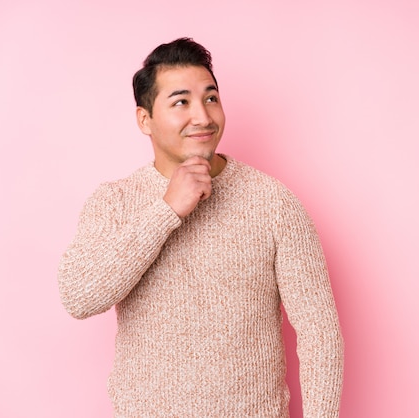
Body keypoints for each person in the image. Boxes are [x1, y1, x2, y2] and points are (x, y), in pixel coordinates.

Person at [57, 37, 344, 417]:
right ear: (145, 119)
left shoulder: (274, 204)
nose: (203, 117)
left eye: (211, 98)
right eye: (181, 102)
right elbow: (79, 296)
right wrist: (166, 211)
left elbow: (319, 334)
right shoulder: (115, 202)